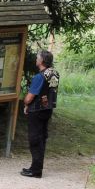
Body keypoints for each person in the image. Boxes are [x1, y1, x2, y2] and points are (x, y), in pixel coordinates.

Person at [21, 49, 60, 178]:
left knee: (35, 139)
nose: (36, 59)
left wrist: (26, 103)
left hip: (36, 110)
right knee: (42, 138)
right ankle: (36, 167)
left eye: (38, 57)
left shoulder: (39, 77)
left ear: (42, 60)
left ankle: (36, 170)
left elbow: (30, 97)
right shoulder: (54, 73)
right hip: (47, 109)